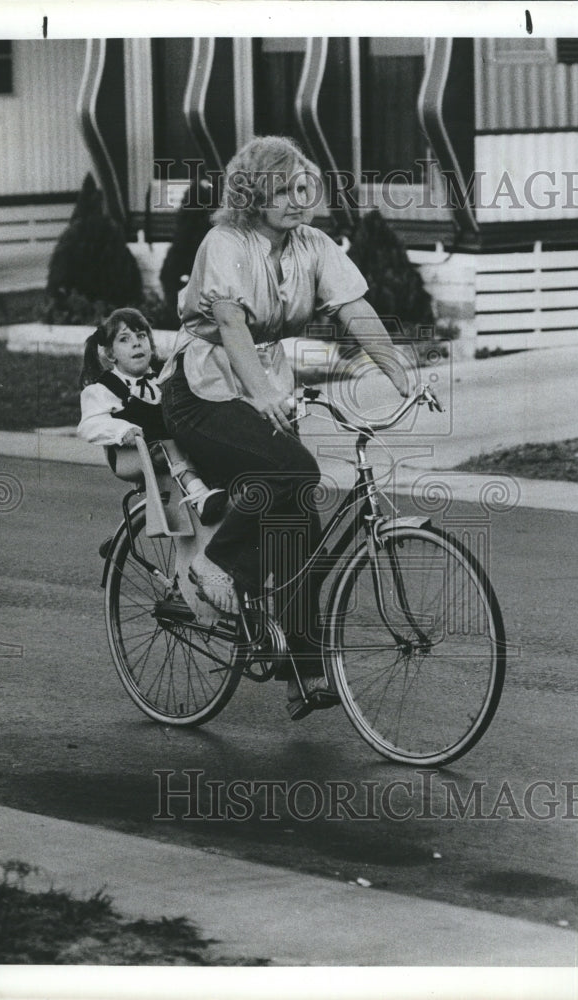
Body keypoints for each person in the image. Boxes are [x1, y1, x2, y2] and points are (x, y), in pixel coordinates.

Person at [158, 136, 411, 720]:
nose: (299, 201)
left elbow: (354, 309)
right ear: (252, 194)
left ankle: (301, 671)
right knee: (295, 469)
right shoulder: (225, 242)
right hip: (202, 391)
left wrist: (397, 368)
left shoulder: (313, 245)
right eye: (282, 190)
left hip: (262, 386)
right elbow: (229, 323)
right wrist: (263, 393)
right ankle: (214, 564)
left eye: (303, 188)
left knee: (302, 526)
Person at [77, 308, 226, 525]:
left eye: (141, 336)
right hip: (129, 455)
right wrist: (122, 431)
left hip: (166, 448)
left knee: (205, 440)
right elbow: (90, 424)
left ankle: (222, 493)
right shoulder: (104, 389)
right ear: (111, 354)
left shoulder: (165, 376)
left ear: (151, 344)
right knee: (169, 446)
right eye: (125, 339)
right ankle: (200, 497)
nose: (136, 344)